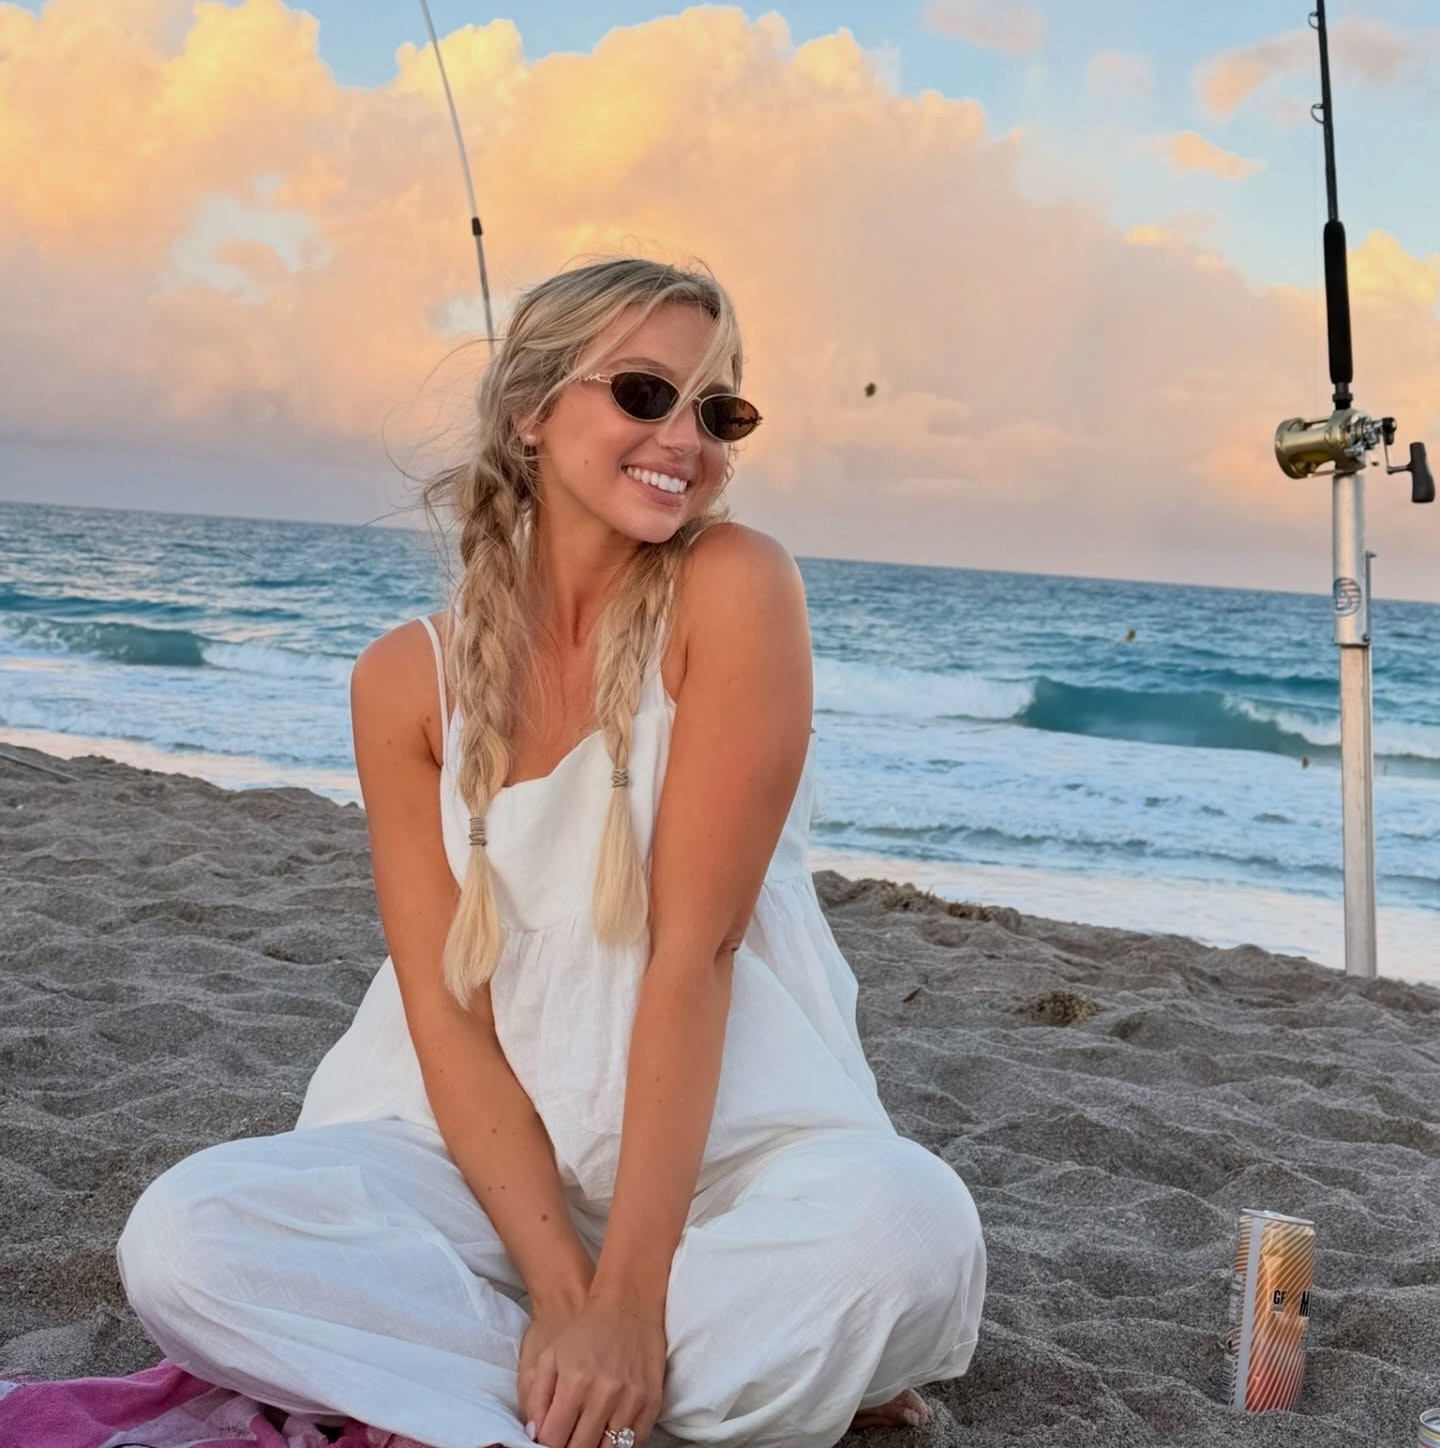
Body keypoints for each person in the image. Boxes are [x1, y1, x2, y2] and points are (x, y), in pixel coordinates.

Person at [116, 256, 986, 1448]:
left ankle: (492, 1397)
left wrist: (627, 1301)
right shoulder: (402, 682)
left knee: (908, 1229)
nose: (688, 438)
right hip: (468, 1174)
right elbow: (442, 1006)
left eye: (719, 412)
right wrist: (572, 1298)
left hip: (724, 1169)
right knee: (183, 1241)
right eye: (644, 393)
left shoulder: (736, 589)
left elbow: (696, 954)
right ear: (530, 411)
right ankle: (617, 1392)